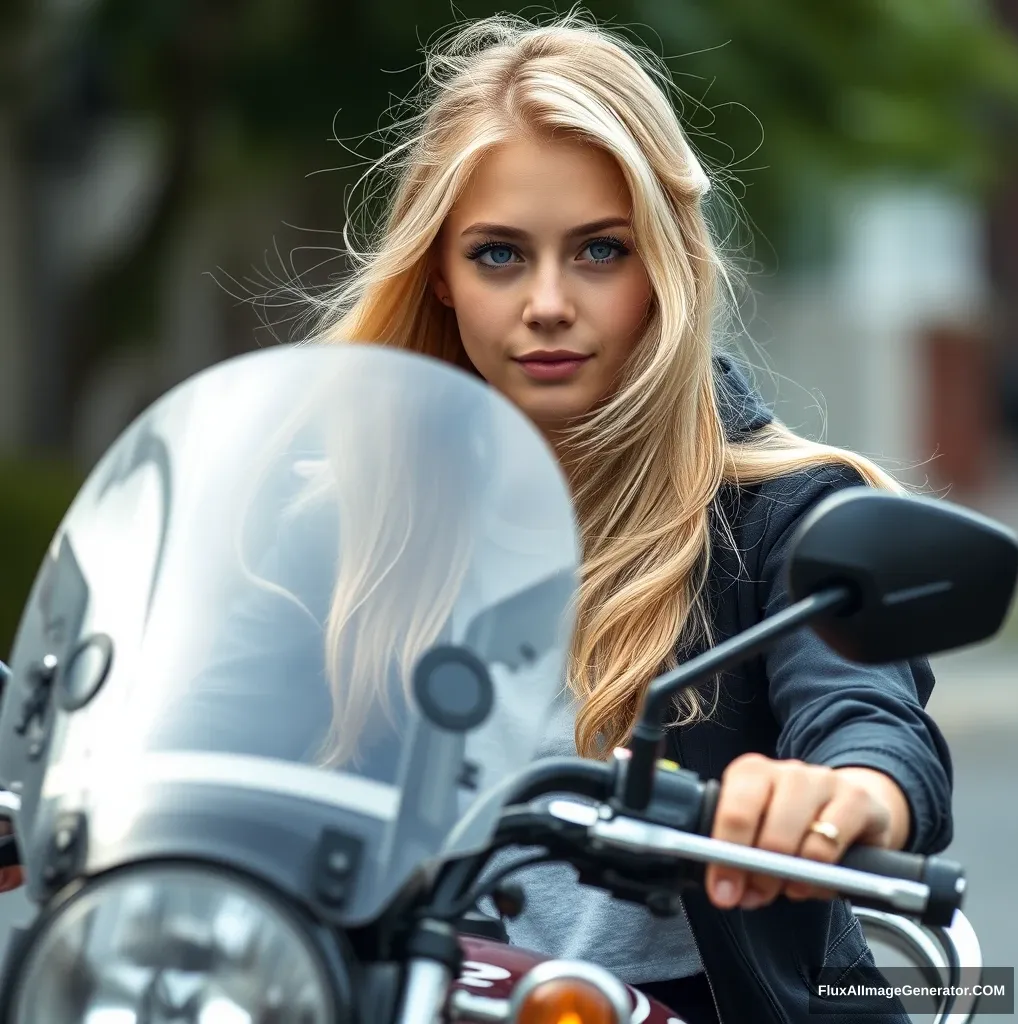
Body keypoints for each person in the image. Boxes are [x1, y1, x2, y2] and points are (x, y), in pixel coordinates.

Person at [296, 11, 953, 1024]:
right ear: (438, 271)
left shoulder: (786, 516)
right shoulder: (341, 527)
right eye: (499, 255)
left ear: (665, 266)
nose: (549, 301)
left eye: (599, 251)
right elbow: (192, 721)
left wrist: (846, 793)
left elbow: (863, 714)